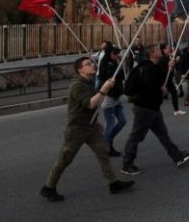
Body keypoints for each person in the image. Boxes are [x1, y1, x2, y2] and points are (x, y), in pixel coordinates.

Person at [40, 57, 134, 202]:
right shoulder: (77, 86)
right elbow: (90, 104)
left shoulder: (89, 82)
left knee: (103, 153)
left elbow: (94, 106)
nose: (92, 65)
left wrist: (96, 123)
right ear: (80, 70)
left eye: (92, 62)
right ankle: (48, 187)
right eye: (88, 64)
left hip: (91, 126)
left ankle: (114, 184)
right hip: (76, 128)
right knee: (65, 159)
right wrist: (104, 90)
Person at [121, 45, 189, 175]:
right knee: (136, 137)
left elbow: (163, 78)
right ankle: (127, 165)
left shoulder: (155, 66)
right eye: (155, 50)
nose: (159, 51)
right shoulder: (147, 69)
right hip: (144, 108)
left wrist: (170, 68)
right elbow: (149, 89)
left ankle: (177, 156)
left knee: (163, 134)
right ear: (151, 55)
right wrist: (161, 91)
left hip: (153, 108)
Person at [98, 47, 127, 156]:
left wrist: (120, 64)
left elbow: (122, 76)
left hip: (116, 96)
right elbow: (106, 77)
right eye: (116, 54)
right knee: (110, 123)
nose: (118, 55)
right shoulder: (107, 64)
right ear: (111, 54)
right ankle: (107, 146)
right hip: (109, 97)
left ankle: (108, 138)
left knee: (122, 121)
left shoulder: (115, 63)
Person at [160, 43, 186, 116]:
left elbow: (172, 66)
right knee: (157, 96)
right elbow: (163, 68)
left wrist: (174, 61)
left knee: (174, 93)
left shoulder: (168, 56)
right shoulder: (163, 58)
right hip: (163, 80)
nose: (170, 49)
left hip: (168, 80)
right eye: (168, 48)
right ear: (164, 49)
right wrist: (170, 64)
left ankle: (176, 110)